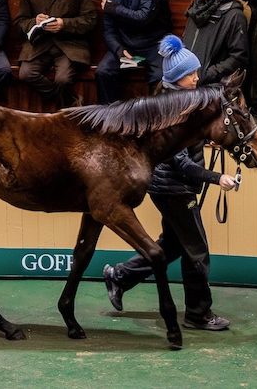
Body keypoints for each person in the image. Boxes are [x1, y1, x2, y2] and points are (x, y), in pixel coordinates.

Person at [101, 36, 241, 332]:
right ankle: (198, 314)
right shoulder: (172, 112)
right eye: (191, 74)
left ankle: (120, 276)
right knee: (197, 251)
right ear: (177, 79)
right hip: (173, 189)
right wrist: (218, 178)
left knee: (173, 245)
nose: (197, 77)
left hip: (168, 187)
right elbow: (183, 164)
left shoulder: (178, 102)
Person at [14, 0, 97, 108]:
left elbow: (90, 19)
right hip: (40, 45)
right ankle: (70, 103)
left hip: (69, 45)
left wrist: (63, 24)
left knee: (63, 79)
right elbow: (19, 22)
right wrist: (34, 22)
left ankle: (59, 113)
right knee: (25, 74)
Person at [97, 0, 169, 102]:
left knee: (161, 77)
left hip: (154, 44)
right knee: (103, 72)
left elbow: (144, 17)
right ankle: (109, 121)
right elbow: (108, 29)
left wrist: (114, 8)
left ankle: (157, 122)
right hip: (126, 45)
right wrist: (118, 49)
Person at [184, 0, 250, 87]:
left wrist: (207, 74)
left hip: (212, 88)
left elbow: (239, 56)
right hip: (186, 83)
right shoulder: (194, 9)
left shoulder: (233, 15)